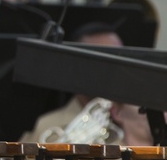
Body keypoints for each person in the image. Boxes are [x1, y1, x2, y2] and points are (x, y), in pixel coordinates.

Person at [18, 22, 151, 146]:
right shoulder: (47, 127)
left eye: (119, 57)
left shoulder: (141, 121)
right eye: (100, 60)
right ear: (77, 68)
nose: (112, 68)